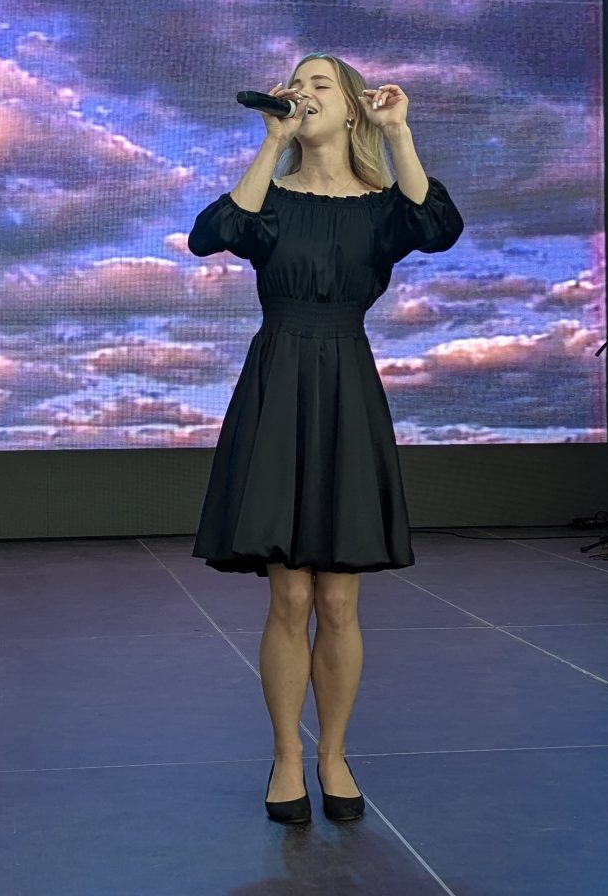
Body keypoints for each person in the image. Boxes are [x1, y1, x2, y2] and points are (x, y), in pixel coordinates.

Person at [186, 52, 464, 825]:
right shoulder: (272, 200)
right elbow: (211, 235)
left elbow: (438, 226)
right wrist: (272, 142)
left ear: (352, 107)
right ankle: (286, 757)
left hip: (346, 385)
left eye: (320, 85)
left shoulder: (381, 209)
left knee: (339, 598)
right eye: (296, 84)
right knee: (290, 592)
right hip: (278, 385)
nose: (303, 94)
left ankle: (334, 754)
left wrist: (399, 133)